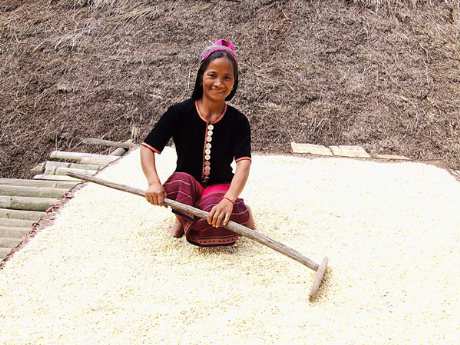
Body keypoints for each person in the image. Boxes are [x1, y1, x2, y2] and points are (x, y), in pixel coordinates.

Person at [140, 39, 255, 247]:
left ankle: (233, 212)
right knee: (177, 183)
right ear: (201, 75)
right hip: (186, 186)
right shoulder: (179, 112)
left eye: (227, 77)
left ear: (234, 82)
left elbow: (243, 164)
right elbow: (148, 148)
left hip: (219, 187)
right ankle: (184, 217)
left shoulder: (239, 121)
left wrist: (229, 199)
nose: (219, 83)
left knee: (213, 221)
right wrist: (153, 182)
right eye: (212, 75)